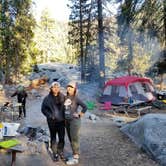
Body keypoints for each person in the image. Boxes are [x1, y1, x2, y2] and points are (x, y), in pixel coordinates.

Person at [64, 81, 87, 165]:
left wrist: (79, 114)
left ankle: (75, 158)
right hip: (67, 121)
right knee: (70, 139)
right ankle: (74, 154)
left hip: (74, 121)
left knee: (74, 139)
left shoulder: (76, 98)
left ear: (75, 89)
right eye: (68, 86)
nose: (69, 88)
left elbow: (85, 107)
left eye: (71, 87)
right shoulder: (65, 97)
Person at [41, 81, 65, 162]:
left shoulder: (63, 97)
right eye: (54, 87)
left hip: (61, 121)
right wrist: (50, 116)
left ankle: (60, 151)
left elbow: (67, 107)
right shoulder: (47, 98)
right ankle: (55, 153)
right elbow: (43, 109)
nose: (56, 89)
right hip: (52, 121)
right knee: (53, 137)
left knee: (62, 137)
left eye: (57, 87)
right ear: (51, 88)